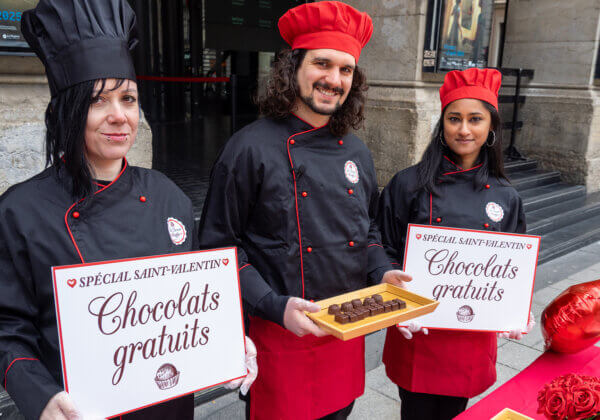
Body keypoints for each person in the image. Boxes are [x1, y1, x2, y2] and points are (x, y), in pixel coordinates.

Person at [0, 1, 255, 419]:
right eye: (98, 101)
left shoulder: (168, 196)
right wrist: (39, 395)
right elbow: (7, 330)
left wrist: (228, 341)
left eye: (129, 98)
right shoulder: (20, 213)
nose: (119, 116)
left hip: (170, 405)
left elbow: (192, 303)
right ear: (68, 111)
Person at [197, 2, 411, 419]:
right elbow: (218, 250)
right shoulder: (248, 148)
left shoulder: (357, 152)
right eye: (322, 64)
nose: (333, 79)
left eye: (345, 70)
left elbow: (366, 234)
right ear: (293, 67)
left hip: (344, 338)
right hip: (278, 338)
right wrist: (274, 305)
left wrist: (383, 272)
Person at [376, 67, 534, 420]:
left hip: (470, 340)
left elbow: (514, 265)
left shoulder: (506, 197)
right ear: (442, 124)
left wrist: (516, 305)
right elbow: (382, 249)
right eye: (454, 119)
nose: (464, 129)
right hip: (418, 332)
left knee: (455, 414)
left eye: (475, 119)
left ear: (491, 127)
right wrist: (394, 298)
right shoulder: (407, 184)